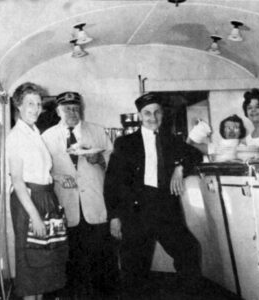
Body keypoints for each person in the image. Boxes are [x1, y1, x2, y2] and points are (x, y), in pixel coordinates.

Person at [104, 92, 203, 296]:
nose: (153, 117)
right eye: (147, 113)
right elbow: (112, 182)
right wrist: (114, 216)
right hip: (136, 211)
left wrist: (180, 168)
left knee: (189, 251)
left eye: (157, 112)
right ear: (140, 116)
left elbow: (195, 155)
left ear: (162, 114)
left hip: (165, 208)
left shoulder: (171, 140)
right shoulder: (125, 143)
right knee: (134, 268)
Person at [41, 91, 119, 299]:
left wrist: (99, 160)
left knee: (101, 265)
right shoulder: (47, 137)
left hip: (96, 208)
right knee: (72, 267)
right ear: (58, 111)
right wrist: (58, 179)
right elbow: (42, 172)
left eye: (76, 108)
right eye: (67, 109)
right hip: (66, 209)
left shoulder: (98, 131)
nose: (72, 112)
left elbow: (115, 168)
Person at [6, 82, 69, 300]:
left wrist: (56, 177)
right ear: (19, 106)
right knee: (31, 267)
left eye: (39, 104)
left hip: (44, 197)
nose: (35, 108)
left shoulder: (34, 133)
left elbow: (39, 170)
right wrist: (36, 217)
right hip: (29, 202)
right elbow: (18, 180)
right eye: (30, 103)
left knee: (44, 266)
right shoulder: (16, 137)